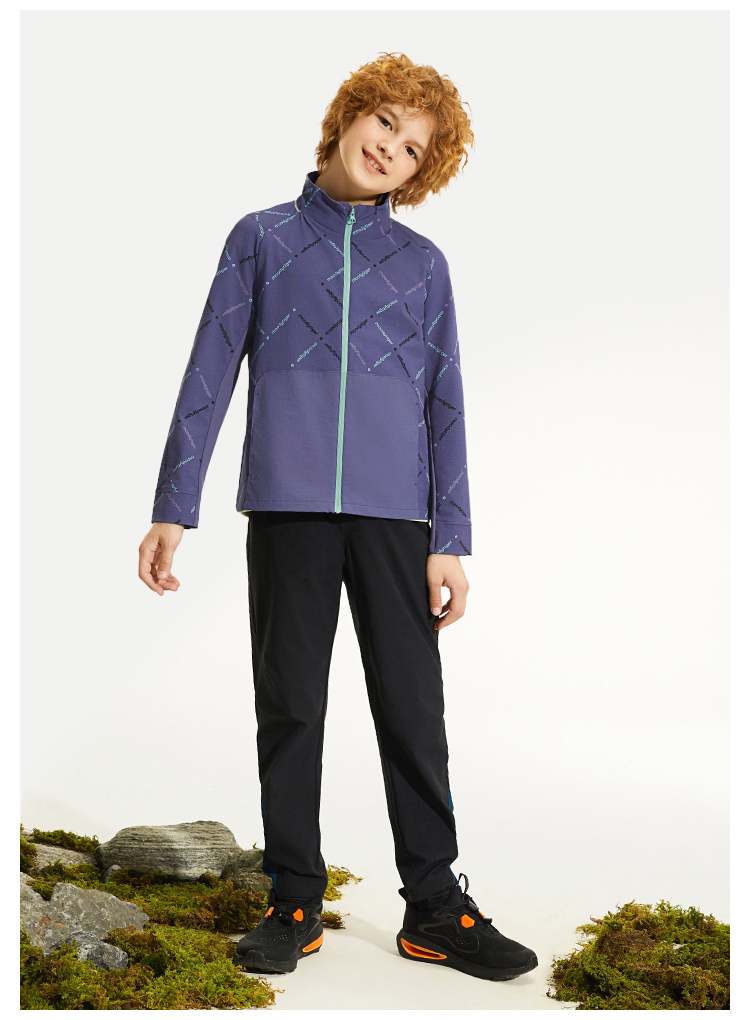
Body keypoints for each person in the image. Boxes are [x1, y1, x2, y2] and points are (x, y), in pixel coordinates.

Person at [138, 52, 537, 984]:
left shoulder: (425, 267)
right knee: (290, 704)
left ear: (420, 172)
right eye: (385, 123)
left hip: (398, 517)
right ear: (349, 117)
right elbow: (208, 372)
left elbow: (445, 403)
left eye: (414, 147)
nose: (391, 148)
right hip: (289, 508)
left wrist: (451, 538)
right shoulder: (262, 238)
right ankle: (293, 897)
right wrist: (172, 507)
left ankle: (434, 906)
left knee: (413, 709)